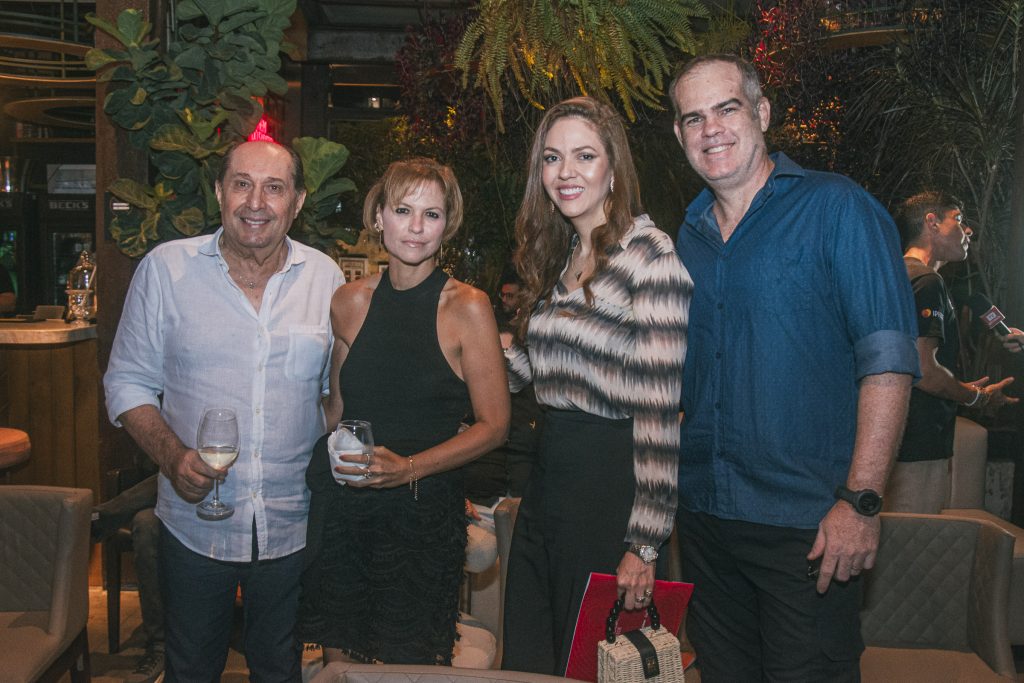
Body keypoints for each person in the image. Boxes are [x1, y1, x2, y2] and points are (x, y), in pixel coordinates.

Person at [670, 54, 920, 681]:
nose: (711, 129)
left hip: (808, 528)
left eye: (727, 108)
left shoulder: (838, 208)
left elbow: (888, 363)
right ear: (680, 136)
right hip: (705, 522)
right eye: (693, 118)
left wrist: (861, 502)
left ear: (761, 113)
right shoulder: (686, 237)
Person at [104, 140, 343, 682]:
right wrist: (171, 455)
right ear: (219, 191)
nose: (255, 201)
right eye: (241, 183)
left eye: (274, 187)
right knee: (190, 668)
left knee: (280, 670)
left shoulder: (326, 279)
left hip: (291, 522)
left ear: (298, 202)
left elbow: (339, 396)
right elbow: (126, 382)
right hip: (194, 521)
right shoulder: (166, 270)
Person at [500, 96, 692, 675]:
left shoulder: (649, 257)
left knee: (585, 662)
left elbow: (660, 413)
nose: (566, 173)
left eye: (585, 156)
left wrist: (644, 542)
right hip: (548, 478)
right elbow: (532, 370)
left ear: (613, 167)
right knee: (532, 652)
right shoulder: (562, 255)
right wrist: (454, 349)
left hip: (609, 487)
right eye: (553, 158)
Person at [295, 157, 510, 665]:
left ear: (447, 224)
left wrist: (408, 468)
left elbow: (495, 425)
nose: (416, 227)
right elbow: (339, 410)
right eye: (404, 210)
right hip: (344, 512)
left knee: (406, 668)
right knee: (338, 668)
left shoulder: (468, 307)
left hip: (419, 519)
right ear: (379, 218)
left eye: (431, 215)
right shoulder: (347, 301)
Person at [888, 191, 1018, 512]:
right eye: (958, 220)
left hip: (894, 433)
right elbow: (923, 370)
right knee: (917, 548)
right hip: (919, 439)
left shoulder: (892, 275)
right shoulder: (927, 281)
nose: (968, 230)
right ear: (931, 223)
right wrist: (976, 396)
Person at [91, 472, 164, 682]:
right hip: (170, 499)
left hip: (221, 494)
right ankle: (159, 646)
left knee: (174, 470)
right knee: (145, 524)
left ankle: (99, 517)